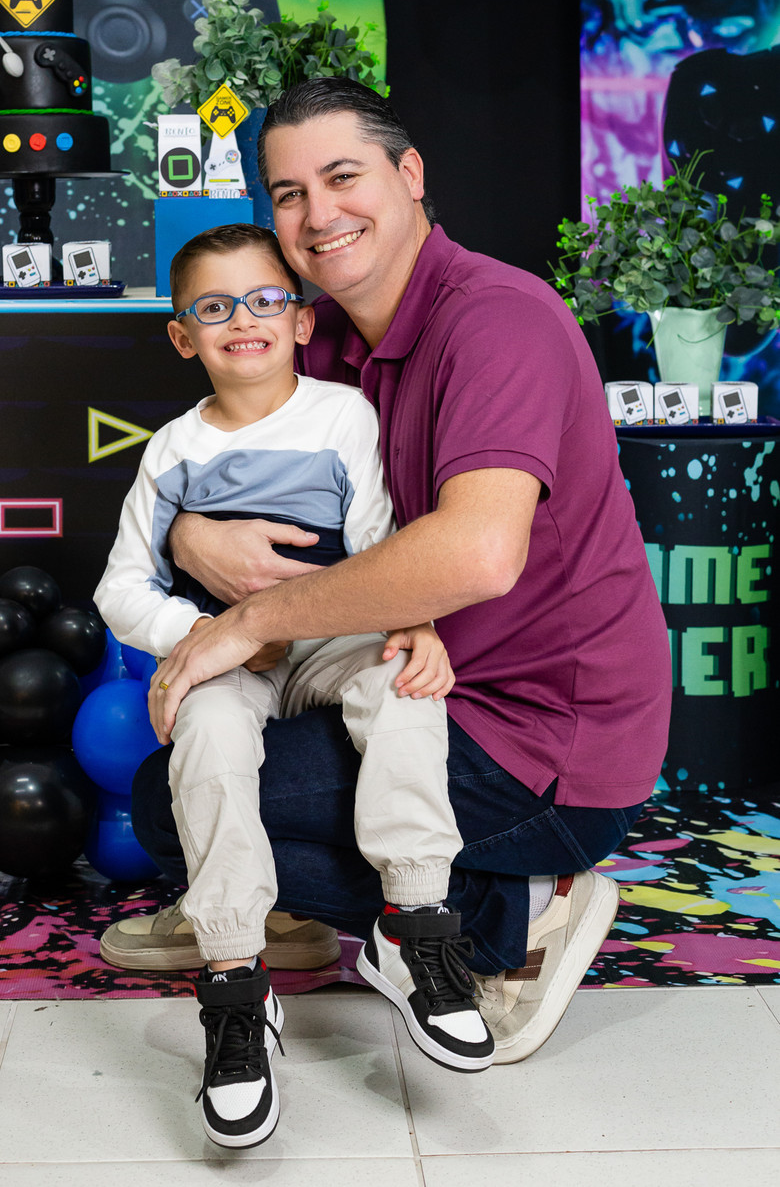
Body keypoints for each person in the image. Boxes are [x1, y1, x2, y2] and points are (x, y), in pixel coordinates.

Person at [110, 77, 671, 1077]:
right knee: (197, 764)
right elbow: (220, 466)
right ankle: (285, 912)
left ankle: (515, 916)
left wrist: (249, 621)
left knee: (169, 807)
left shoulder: (498, 320)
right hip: (399, 679)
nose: (317, 214)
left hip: (539, 737)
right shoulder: (316, 336)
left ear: (409, 175)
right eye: (288, 194)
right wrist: (189, 533)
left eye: (342, 177)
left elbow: (477, 553)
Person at [94, 222, 493, 1151]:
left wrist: (418, 622)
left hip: (337, 638)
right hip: (233, 657)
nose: (244, 320)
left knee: (403, 686)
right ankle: (236, 981)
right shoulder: (172, 451)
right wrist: (197, 637)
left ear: (303, 320)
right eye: (215, 307)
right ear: (183, 335)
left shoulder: (344, 416)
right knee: (207, 738)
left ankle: (416, 920)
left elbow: (384, 539)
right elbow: (120, 587)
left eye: (266, 300)